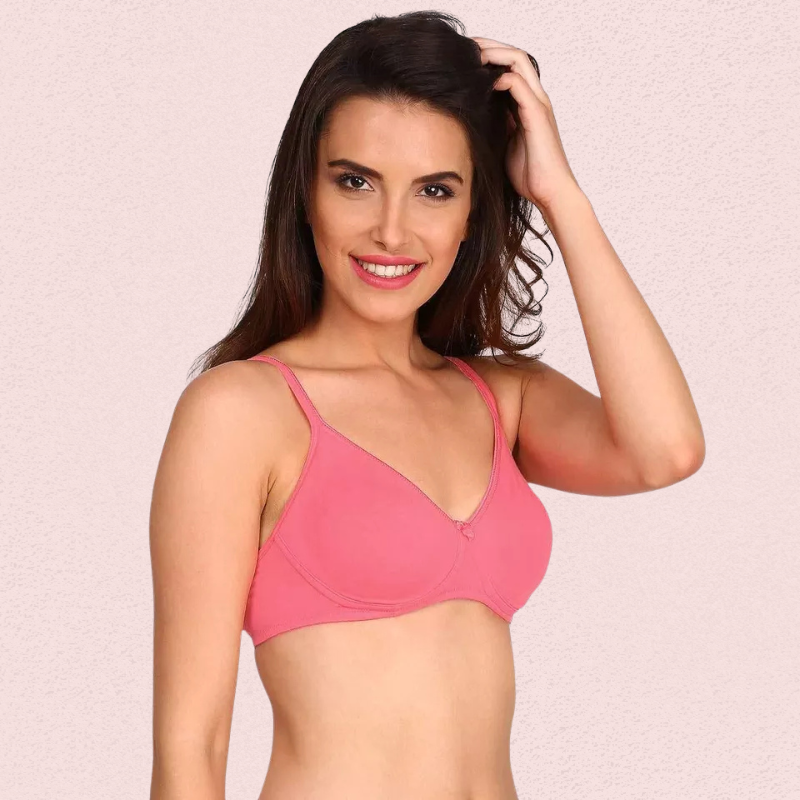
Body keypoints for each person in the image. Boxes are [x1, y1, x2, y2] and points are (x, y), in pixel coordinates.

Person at [148, 11, 705, 800]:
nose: (391, 230)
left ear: (474, 210)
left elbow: (666, 451)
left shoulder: (500, 398)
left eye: (435, 191)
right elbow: (192, 746)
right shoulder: (242, 412)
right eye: (355, 181)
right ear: (304, 192)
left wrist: (560, 194)